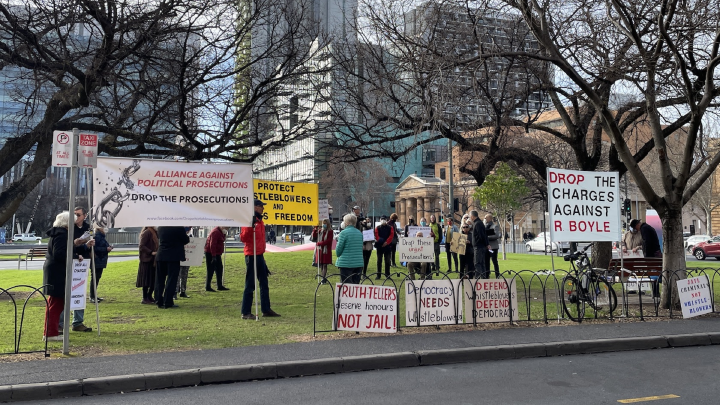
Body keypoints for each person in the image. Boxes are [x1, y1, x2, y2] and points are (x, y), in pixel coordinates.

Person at [240, 199, 281, 319]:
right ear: (254, 207)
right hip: (251, 255)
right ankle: (245, 312)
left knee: (264, 282)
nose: (263, 208)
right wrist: (250, 226)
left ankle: (266, 309)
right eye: (260, 206)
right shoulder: (249, 220)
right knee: (250, 284)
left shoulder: (260, 221)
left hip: (259, 255)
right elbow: (243, 238)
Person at [59, 206, 94, 333]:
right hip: (70, 261)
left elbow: (91, 241)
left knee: (80, 291)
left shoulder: (88, 228)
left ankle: (78, 322)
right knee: (66, 292)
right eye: (74, 214)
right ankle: (61, 323)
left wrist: (88, 245)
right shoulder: (68, 227)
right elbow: (66, 246)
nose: (76, 217)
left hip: (82, 262)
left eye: (78, 215)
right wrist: (76, 243)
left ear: (84, 216)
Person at [42, 212, 72, 341]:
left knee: (54, 302)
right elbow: (59, 254)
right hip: (57, 272)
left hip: (54, 270)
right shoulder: (61, 235)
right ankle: (50, 333)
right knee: (56, 303)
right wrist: (74, 256)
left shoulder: (57, 233)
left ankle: (50, 331)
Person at [154, 226, 190, 309]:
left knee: (159, 279)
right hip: (173, 256)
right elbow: (186, 240)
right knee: (171, 279)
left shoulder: (161, 227)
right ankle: (168, 301)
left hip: (161, 255)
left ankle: (158, 300)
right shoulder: (178, 228)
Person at [335, 214, 364, 284]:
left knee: (346, 287)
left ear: (347, 223)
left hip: (346, 264)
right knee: (355, 288)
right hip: (358, 263)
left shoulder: (343, 233)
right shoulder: (360, 233)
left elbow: (338, 252)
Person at [90, 226, 113, 303]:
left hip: (100, 259)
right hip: (97, 259)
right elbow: (95, 248)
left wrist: (108, 247)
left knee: (97, 278)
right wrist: (106, 249)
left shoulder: (101, 236)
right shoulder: (97, 236)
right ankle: (92, 296)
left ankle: (94, 295)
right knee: (95, 278)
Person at [137, 226, 158, 304]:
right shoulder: (147, 232)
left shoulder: (154, 232)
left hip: (152, 259)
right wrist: (151, 252)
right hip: (147, 260)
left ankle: (149, 296)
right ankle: (145, 297)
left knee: (152, 279)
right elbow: (141, 246)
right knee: (146, 280)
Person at [205, 226, 229, 292]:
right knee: (211, 269)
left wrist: (224, 234)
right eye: (226, 228)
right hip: (211, 253)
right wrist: (213, 256)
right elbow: (212, 244)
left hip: (217, 253)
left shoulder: (220, 232)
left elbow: (222, 240)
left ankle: (219, 285)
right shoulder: (215, 232)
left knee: (219, 268)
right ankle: (208, 286)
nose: (227, 229)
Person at [353, 206, 373, 276]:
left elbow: (369, 230)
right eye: (356, 210)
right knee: (360, 258)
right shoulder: (353, 218)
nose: (357, 211)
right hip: (359, 242)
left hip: (367, 243)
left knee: (366, 258)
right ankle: (359, 272)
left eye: (358, 209)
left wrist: (366, 223)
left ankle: (364, 272)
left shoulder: (363, 219)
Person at [471, 211, 491, 279]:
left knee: (477, 263)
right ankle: (483, 278)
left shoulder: (477, 223)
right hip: (481, 246)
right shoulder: (479, 223)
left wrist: (486, 244)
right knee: (482, 263)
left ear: (473, 216)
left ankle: (478, 278)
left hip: (479, 246)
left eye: (471, 216)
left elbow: (482, 235)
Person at [374, 215, 395, 279]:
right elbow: (376, 235)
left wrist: (386, 242)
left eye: (384, 219)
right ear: (380, 220)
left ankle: (387, 274)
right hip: (380, 246)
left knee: (387, 261)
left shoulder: (390, 227)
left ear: (386, 220)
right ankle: (378, 275)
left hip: (387, 246)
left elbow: (391, 236)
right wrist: (382, 241)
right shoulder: (377, 227)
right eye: (382, 219)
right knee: (379, 261)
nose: (383, 220)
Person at [177, 227, 194, 298]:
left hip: (186, 258)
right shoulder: (179, 233)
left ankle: (183, 291)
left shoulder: (190, 235)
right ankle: (175, 292)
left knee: (184, 275)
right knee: (177, 275)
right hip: (179, 257)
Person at [484, 214, 501, 278]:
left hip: (493, 247)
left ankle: (497, 275)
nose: (485, 219)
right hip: (486, 247)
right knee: (486, 261)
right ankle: (487, 275)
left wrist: (487, 237)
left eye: (486, 218)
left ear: (490, 218)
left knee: (494, 261)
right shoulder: (484, 226)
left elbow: (496, 236)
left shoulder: (494, 226)